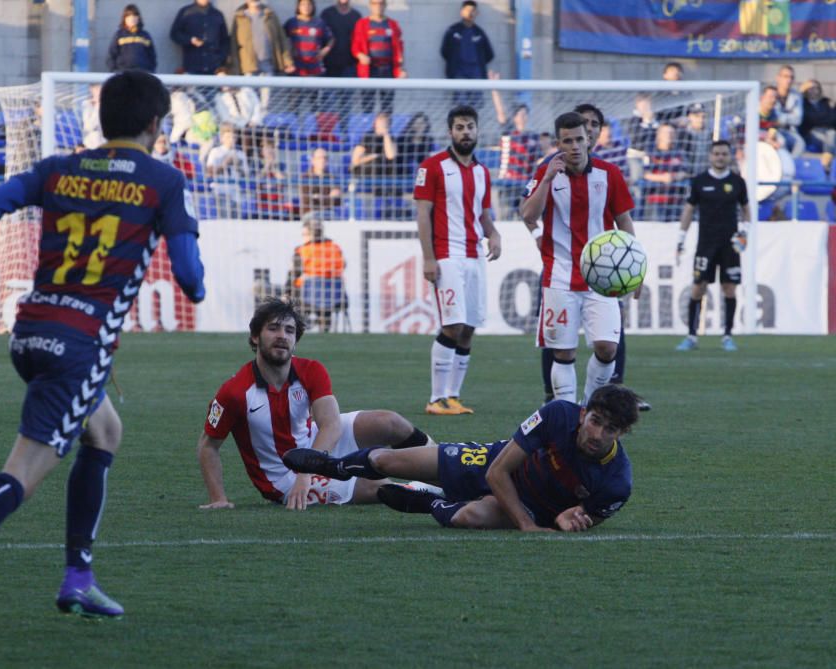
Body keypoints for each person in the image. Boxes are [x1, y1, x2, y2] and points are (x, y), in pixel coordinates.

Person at [0, 70, 205, 645]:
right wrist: (184, 234)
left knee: (104, 430)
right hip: (78, 350)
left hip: (29, 333)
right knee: (23, 474)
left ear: (103, 117)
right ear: (157, 125)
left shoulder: (60, 168)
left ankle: (78, 577)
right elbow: (191, 280)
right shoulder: (162, 181)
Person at [284, 383, 639, 531]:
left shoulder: (616, 484)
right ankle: (333, 467)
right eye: (595, 422)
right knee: (388, 462)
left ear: (621, 434)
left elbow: (574, 520)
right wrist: (528, 529)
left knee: (469, 516)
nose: (597, 435)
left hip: (533, 506)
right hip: (494, 463)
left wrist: (565, 522)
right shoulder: (559, 413)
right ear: (583, 414)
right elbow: (498, 472)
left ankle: (428, 503)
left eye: (610, 429)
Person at [198, 298, 434, 510]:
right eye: (273, 328)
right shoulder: (234, 392)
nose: (282, 335)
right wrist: (218, 498)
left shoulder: (311, 370)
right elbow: (208, 445)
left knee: (389, 422)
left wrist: (307, 470)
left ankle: (445, 466)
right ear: (255, 337)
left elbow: (330, 424)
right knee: (378, 487)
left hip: (313, 447)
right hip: (284, 479)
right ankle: (434, 491)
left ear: (295, 341)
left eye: (289, 330)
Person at [525, 104, 649, 412]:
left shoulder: (610, 174)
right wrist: (545, 181)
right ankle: (567, 413)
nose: (575, 146)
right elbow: (527, 214)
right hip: (560, 275)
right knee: (563, 353)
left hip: (601, 277)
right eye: (567, 141)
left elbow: (624, 222)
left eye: (579, 139)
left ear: (588, 140)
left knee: (607, 348)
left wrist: (637, 271)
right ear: (559, 144)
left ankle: (590, 406)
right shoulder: (547, 172)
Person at [414, 105, 501, 415]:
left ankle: (452, 395)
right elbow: (423, 213)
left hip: (475, 255)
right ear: (450, 132)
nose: (466, 132)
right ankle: (436, 399)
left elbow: (484, 213)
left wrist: (494, 234)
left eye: (470, 127)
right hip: (447, 256)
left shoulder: (482, 172)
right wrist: (428, 258)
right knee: (453, 325)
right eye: (460, 127)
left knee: (469, 328)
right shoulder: (433, 166)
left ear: (478, 131)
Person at [675, 140, 750, 352]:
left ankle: (727, 335)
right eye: (716, 153)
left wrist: (745, 232)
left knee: (729, 288)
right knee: (698, 287)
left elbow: (746, 209)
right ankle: (691, 336)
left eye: (724, 154)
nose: (720, 157)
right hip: (706, 245)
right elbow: (689, 210)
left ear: (729, 156)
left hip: (730, 245)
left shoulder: (737, 182)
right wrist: (681, 237)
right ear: (710, 156)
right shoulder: (700, 181)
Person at [288, 213, 345, 330]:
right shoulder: (335, 248)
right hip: (336, 297)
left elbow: (293, 274)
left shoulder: (302, 251)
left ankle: (302, 322)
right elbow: (343, 265)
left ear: (307, 233)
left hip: (308, 297)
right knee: (323, 290)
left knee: (296, 287)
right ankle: (323, 324)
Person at [351, 0, 405, 114]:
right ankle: (368, 130)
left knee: (387, 105)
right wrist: (361, 56)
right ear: (370, 6)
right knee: (367, 105)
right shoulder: (362, 23)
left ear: (385, 5)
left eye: (381, 3)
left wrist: (400, 68)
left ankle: (385, 130)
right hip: (369, 70)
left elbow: (399, 48)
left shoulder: (392, 24)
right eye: (375, 3)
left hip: (387, 70)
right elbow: (355, 46)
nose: (378, 6)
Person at [440, 1, 494, 109]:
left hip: (476, 73)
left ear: (477, 13)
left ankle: (473, 125)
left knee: (475, 106)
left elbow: (489, 54)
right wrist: (454, 65)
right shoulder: (453, 30)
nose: (470, 13)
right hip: (459, 73)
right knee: (460, 105)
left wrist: (478, 66)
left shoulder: (479, 32)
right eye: (467, 10)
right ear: (461, 12)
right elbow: (444, 50)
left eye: (473, 10)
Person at [229, 0, 296, 77]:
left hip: (268, 66)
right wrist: (233, 69)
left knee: (268, 88)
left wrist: (287, 61)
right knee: (247, 89)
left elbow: (282, 40)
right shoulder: (239, 18)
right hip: (248, 68)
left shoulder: (270, 16)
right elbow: (233, 44)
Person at [170, 0, 230, 76]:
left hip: (214, 68)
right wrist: (190, 40)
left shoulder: (217, 14)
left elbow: (224, 40)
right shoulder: (186, 12)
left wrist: (221, 60)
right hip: (192, 66)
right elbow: (175, 34)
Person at [350, 110, 398, 195]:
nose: (383, 124)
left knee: (393, 164)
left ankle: (391, 192)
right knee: (377, 162)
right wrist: (373, 156)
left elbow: (391, 156)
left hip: (384, 171)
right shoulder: (367, 137)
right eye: (380, 121)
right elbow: (355, 161)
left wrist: (386, 135)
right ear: (375, 123)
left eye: (385, 122)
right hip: (366, 170)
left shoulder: (391, 138)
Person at [106, 4, 157, 73]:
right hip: (123, 74)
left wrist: (150, 71)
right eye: (129, 16)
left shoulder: (145, 35)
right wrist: (114, 71)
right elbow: (111, 55)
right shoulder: (119, 35)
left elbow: (152, 56)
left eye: (135, 16)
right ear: (124, 19)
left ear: (139, 18)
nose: (132, 19)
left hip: (142, 73)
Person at [299, 146, 343, 214]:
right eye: (319, 158)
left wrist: (319, 197)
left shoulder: (332, 178)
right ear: (313, 160)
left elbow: (338, 201)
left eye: (325, 158)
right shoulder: (305, 177)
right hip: (310, 214)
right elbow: (308, 200)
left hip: (329, 213)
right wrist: (329, 197)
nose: (323, 160)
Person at [798, 79, 836, 156]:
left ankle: (828, 157)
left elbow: (833, 118)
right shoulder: (802, 103)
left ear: (819, 89)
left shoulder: (826, 102)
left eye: (815, 88)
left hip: (828, 131)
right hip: (811, 133)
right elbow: (809, 120)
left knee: (832, 134)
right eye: (809, 88)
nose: (812, 90)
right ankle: (829, 157)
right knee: (827, 139)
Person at [773, 65, 805, 156]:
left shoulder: (797, 96)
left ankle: (792, 165)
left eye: (791, 77)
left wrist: (781, 118)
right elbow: (773, 116)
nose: (789, 80)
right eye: (785, 76)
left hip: (791, 130)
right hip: (774, 130)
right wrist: (788, 116)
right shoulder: (771, 93)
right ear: (778, 78)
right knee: (781, 142)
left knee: (800, 144)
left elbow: (798, 119)